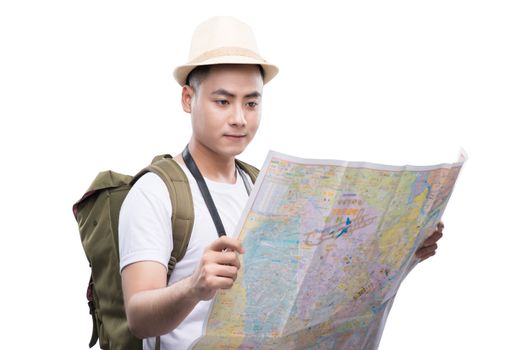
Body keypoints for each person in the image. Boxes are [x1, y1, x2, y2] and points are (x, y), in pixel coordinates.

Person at [118, 16, 444, 350]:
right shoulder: (156, 193)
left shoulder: (266, 187)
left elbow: (309, 295)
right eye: (222, 101)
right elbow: (139, 318)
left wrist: (399, 257)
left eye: (251, 102)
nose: (239, 118)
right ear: (188, 99)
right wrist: (194, 287)